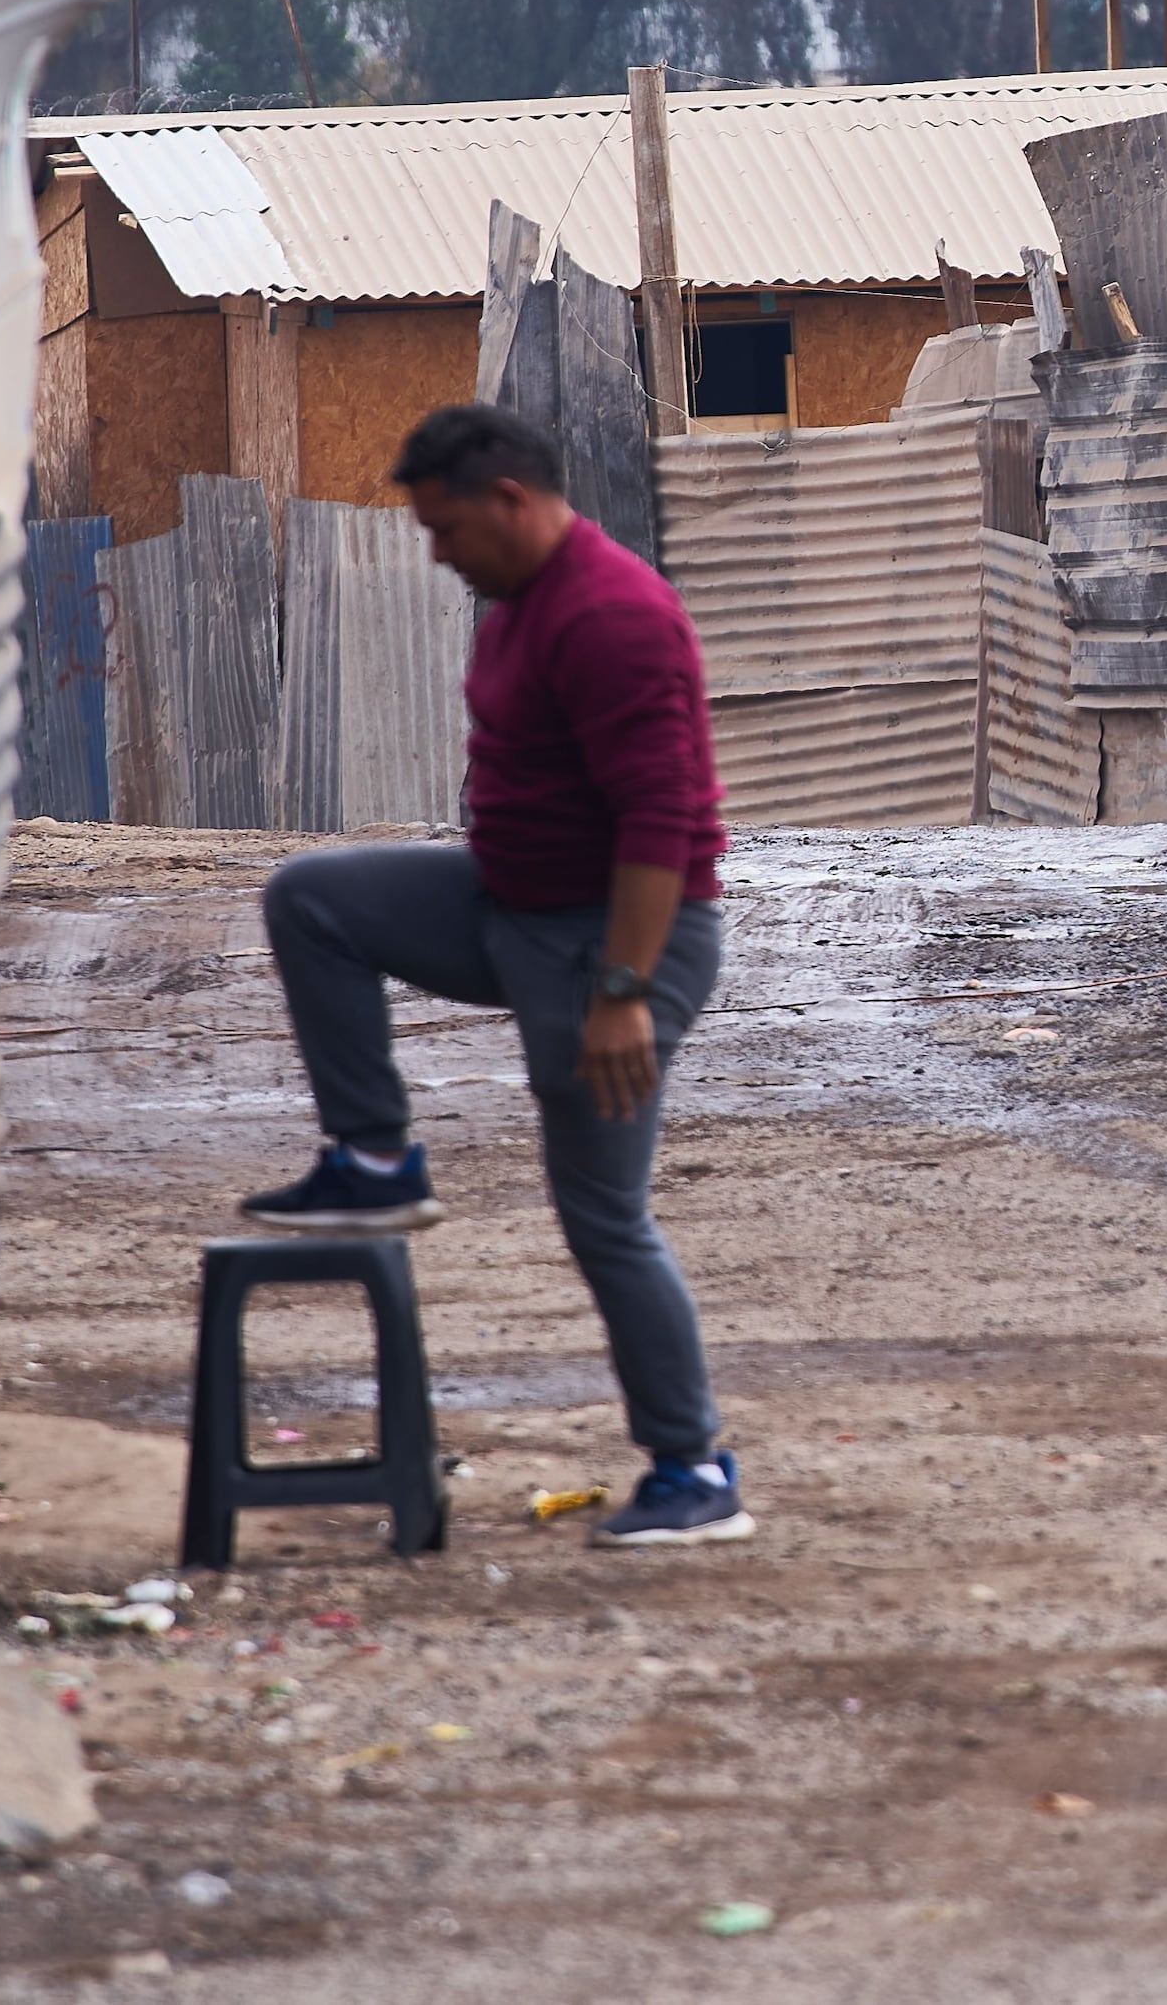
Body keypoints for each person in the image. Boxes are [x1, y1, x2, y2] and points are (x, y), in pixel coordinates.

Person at [241, 402, 749, 1547]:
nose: (437, 552)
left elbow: (660, 818)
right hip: (508, 905)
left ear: (511, 502)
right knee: (313, 898)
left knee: (603, 1218)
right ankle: (373, 1155)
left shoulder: (615, 614)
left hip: (616, 939)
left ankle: (695, 1468)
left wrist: (623, 992)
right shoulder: (518, 597)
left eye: (447, 528)